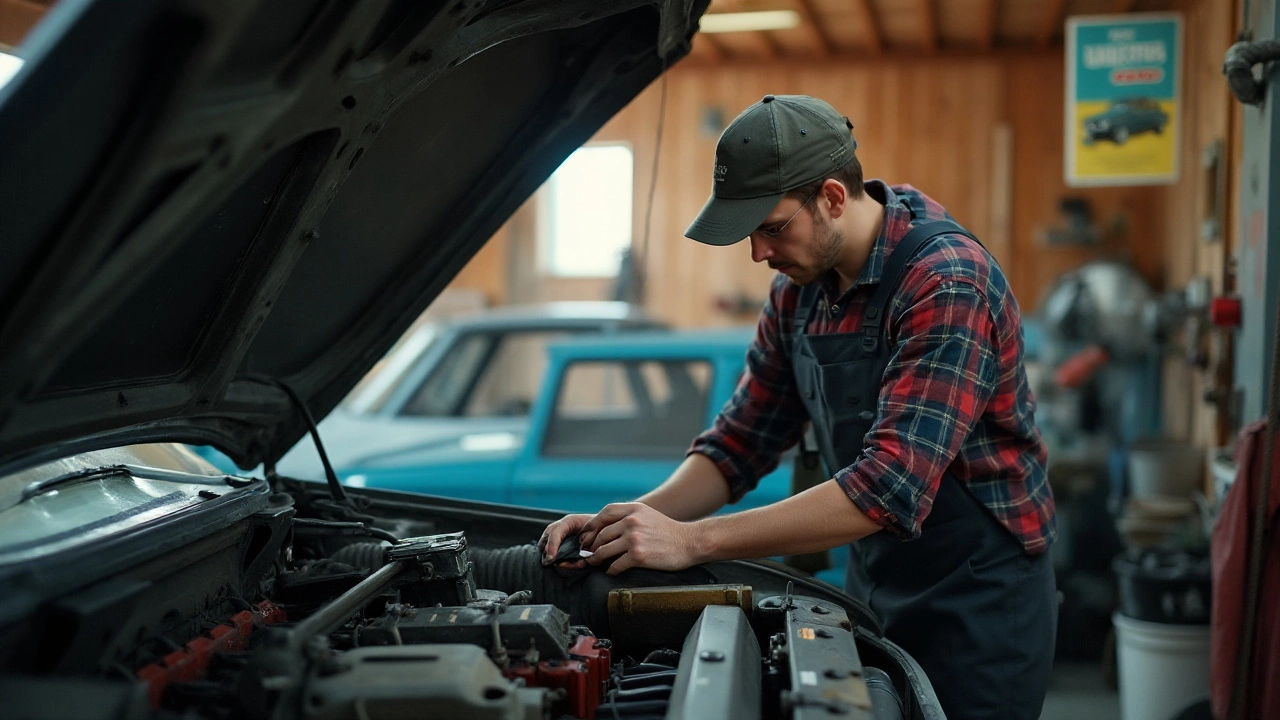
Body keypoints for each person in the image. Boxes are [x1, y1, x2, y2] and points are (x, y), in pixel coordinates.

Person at [540, 94, 1057, 719]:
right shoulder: (798, 294)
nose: (759, 253)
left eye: (773, 227)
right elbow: (737, 444)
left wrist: (691, 542)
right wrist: (629, 523)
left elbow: (887, 487)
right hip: (877, 582)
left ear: (834, 197)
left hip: (980, 600)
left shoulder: (946, 283)